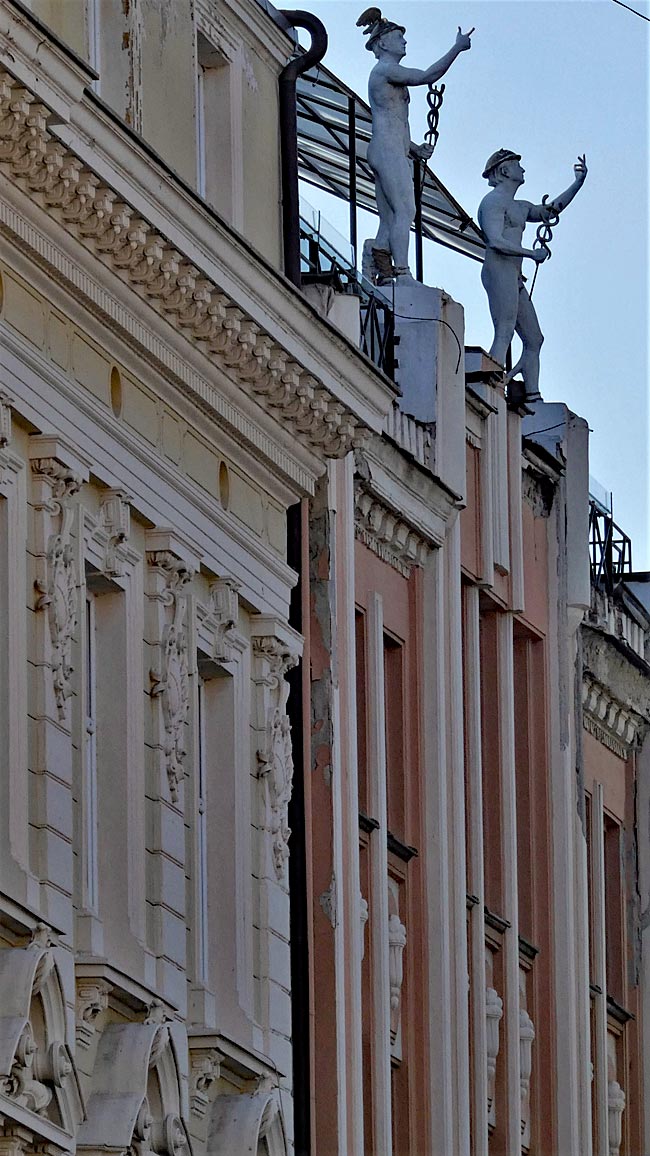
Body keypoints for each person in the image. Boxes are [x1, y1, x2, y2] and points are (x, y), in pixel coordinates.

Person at [357, 8, 473, 282]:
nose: (405, 42)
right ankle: (402, 271)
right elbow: (428, 76)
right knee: (405, 210)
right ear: (383, 42)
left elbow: (392, 122)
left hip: (392, 148)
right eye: (399, 37)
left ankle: (380, 267)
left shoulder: (387, 73)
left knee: (389, 216)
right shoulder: (385, 70)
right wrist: (456, 49)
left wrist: (414, 149)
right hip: (387, 150)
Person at [478, 149, 587, 400]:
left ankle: (531, 394)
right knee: (504, 329)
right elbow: (494, 240)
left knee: (534, 338)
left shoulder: (519, 206)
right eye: (518, 165)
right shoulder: (493, 201)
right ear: (505, 170)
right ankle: (492, 387)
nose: (523, 170)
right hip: (499, 270)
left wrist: (577, 183)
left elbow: (549, 212)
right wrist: (530, 253)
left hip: (513, 274)